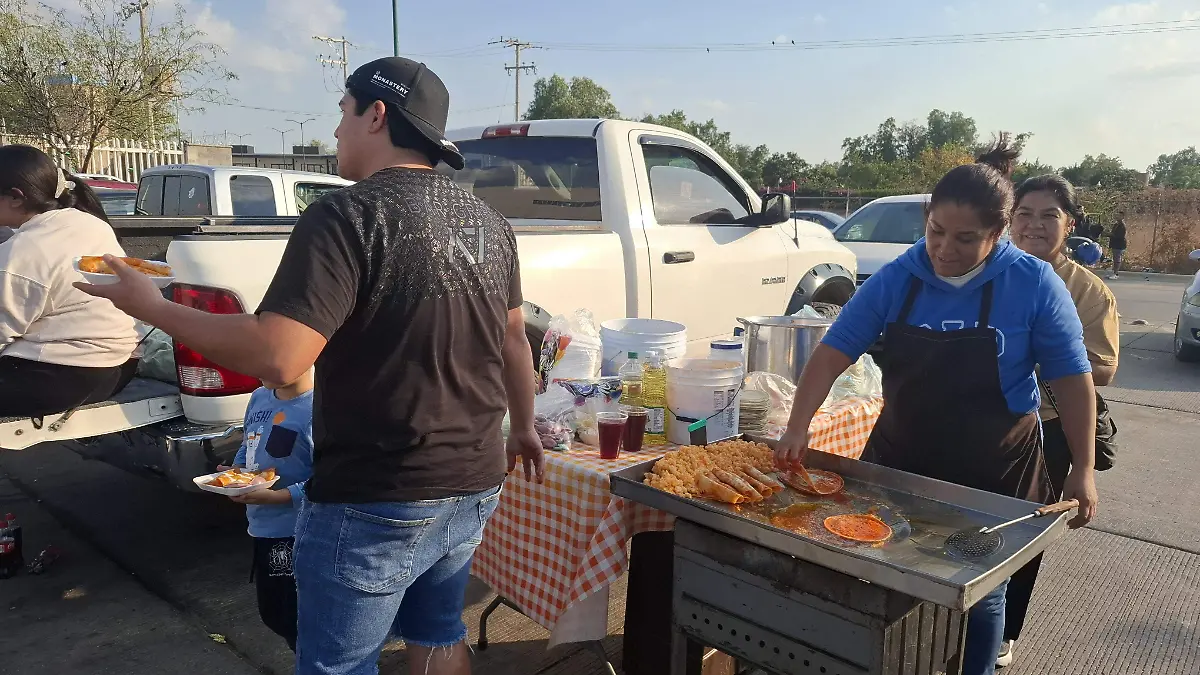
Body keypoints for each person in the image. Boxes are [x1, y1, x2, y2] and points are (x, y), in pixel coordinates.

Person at [76, 56, 544, 675]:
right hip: (475, 475)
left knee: (337, 666)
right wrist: (527, 427)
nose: (336, 131)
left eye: (342, 113)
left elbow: (278, 353)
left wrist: (152, 305)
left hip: (378, 492)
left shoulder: (346, 215)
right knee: (436, 634)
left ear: (377, 114)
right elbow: (515, 342)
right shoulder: (489, 223)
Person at [773, 140, 1099, 675]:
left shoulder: (1034, 284)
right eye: (936, 232)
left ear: (998, 234)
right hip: (901, 455)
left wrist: (1083, 469)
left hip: (992, 469)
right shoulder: (900, 276)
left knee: (980, 590)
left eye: (966, 239)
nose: (944, 249)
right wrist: (797, 426)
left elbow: (1071, 378)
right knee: (882, 568)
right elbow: (834, 350)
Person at [1002, 175, 1119, 667]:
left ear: (1069, 225)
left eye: (1049, 216)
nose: (1034, 226)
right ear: (1009, 220)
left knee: (1030, 527)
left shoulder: (1088, 292)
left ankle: (1006, 629)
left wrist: (1045, 352)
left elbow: (1106, 368)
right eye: (1024, 214)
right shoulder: (988, 271)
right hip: (990, 419)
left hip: (1050, 425)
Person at [0, 145, 141, 417]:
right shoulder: (88, 222)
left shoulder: (23, 253)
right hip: (117, 368)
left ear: (16, 198)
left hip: (61, 378)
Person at [221, 369, 315, 652]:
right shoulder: (260, 397)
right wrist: (236, 474)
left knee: (293, 617)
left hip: (297, 531)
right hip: (263, 527)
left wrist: (279, 497)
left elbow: (331, 478)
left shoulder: (319, 408)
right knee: (275, 612)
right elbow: (248, 445)